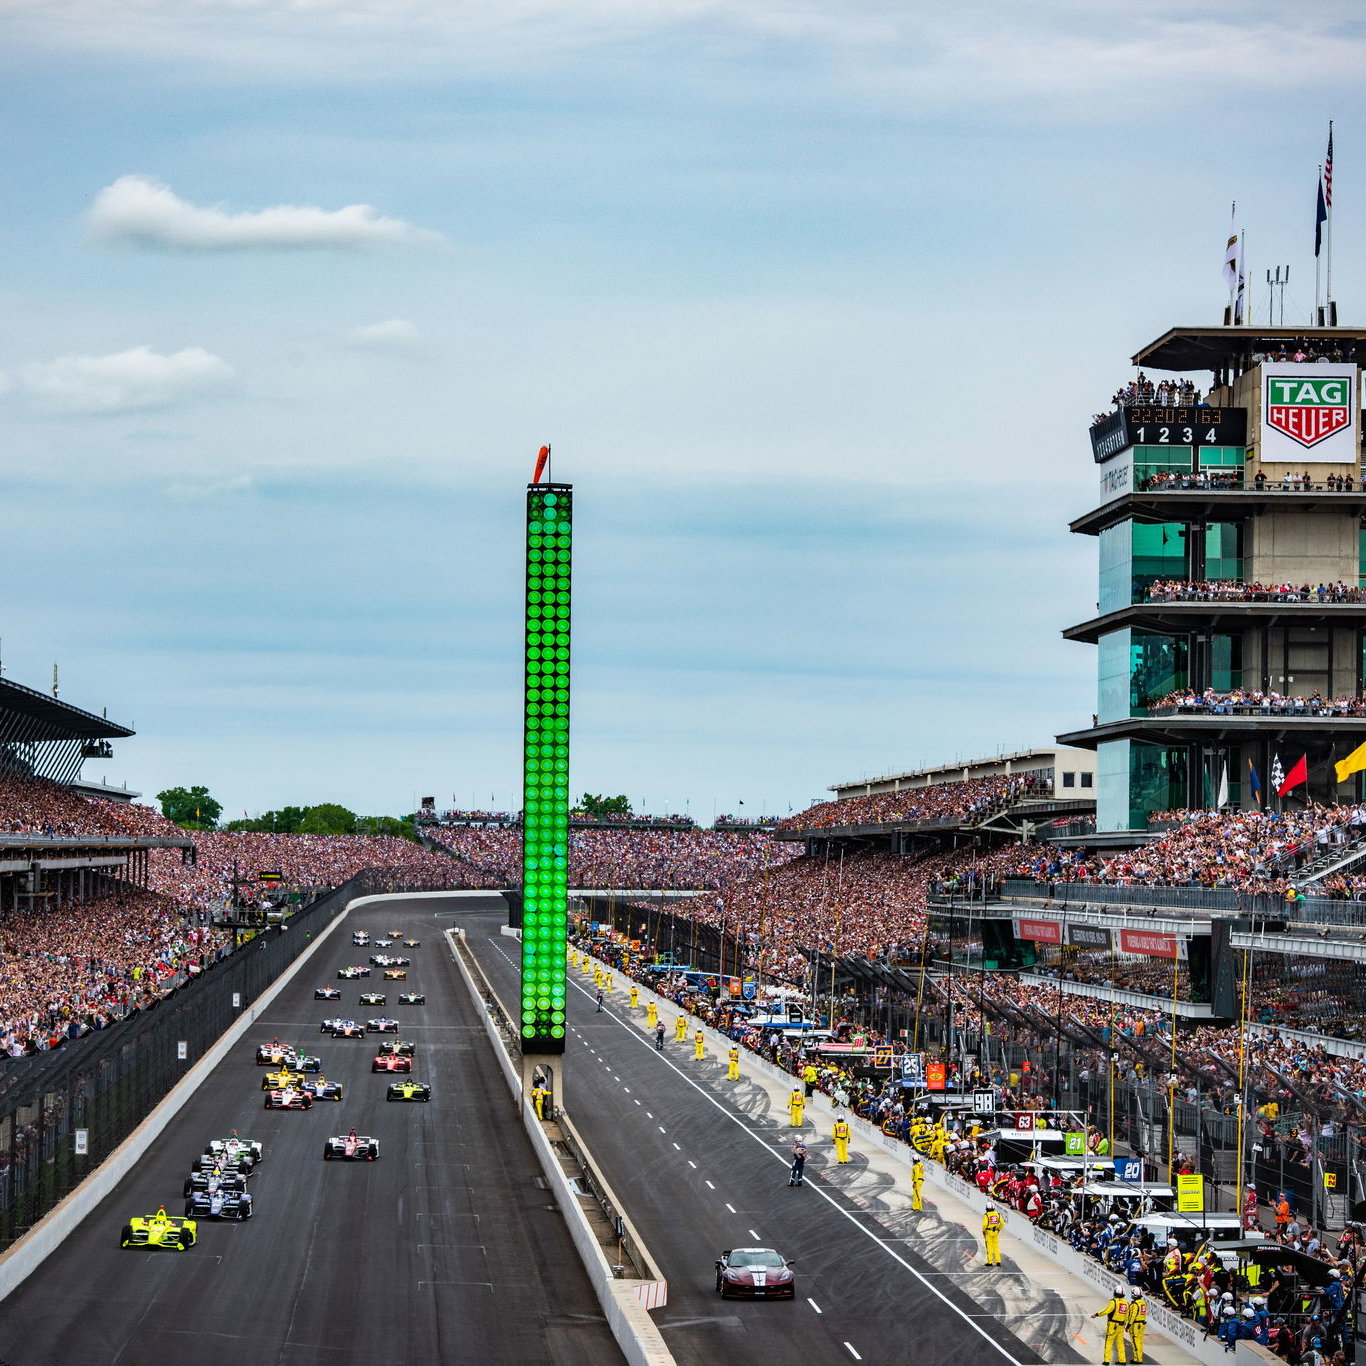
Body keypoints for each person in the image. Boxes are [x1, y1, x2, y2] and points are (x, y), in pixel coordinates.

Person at [1091, 1285, 1129, 1363]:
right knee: (1120, 1343)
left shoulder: (1113, 1302)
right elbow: (1127, 1315)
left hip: (1112, 1325)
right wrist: (1124, 1324)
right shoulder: (1126, 1303)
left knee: (1109, 1342)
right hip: (1121, 1326)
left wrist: (1096, 1314)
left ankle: (1107, 1360)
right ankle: (1122, 1360)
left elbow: (1106, 1311)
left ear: (1115, 1293)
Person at [1127, 1290, 1146, 1364]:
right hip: (1142, 1324)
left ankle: (1137, 1359)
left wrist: (1128, 1325)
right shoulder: (1143, 1303)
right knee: (1140, 1342)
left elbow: (1133, 1316)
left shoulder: (1135, 1304)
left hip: (1135, 1325)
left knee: (1135, 1342)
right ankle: (1139, 1358)